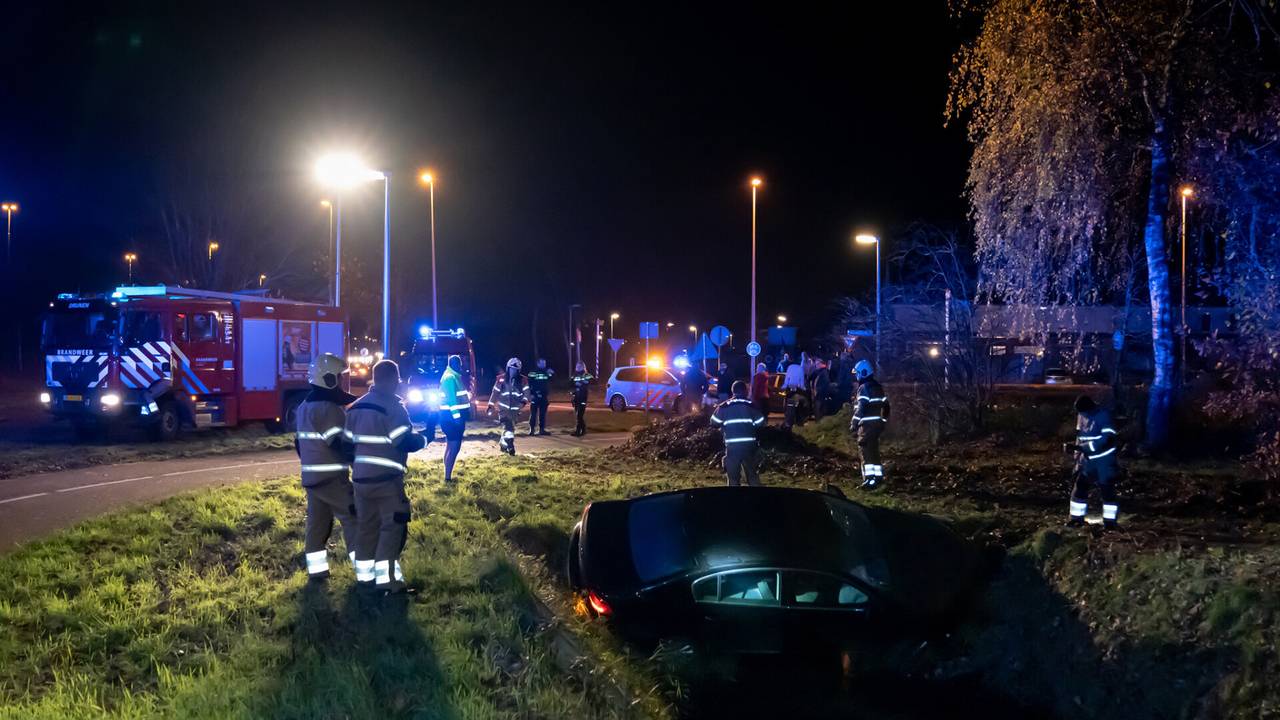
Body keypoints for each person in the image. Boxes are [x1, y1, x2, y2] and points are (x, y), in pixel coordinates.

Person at [347, 360, 427, 594]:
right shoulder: (394, 407)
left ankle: (364, 579)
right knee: (393, 527)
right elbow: (404, 441)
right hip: (386, 481)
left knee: (366, 528)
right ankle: (388, 583)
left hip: (360, 481)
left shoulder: (356, 407)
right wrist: (425, 439)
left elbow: (345, 445)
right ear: (393, 380)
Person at [295, 353, 358, 581]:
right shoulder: (328, 409)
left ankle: (317, 573)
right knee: (354, 518)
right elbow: (340, 444)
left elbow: (298, 444)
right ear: (328, 379)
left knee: (317, 526)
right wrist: (357, 463)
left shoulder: (304, 406)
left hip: (312, 479)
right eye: (339, 377)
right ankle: (366, 572)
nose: (342, 382)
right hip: (332, 479)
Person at [1065, 396, 1121, 529]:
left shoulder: (1104, 416)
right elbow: (1080, 436)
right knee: (1080, 487)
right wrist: (1076, 456)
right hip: (1087, 460)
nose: (1082, 415)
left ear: (1089, 408)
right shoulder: (1082, 415)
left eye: (1083, 412)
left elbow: (1107, 440)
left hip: (1104, 460)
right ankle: (1076, 519)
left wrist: (1082, 448)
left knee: (1107, 490)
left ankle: (1110, 523)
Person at [710, 380, 766, 486]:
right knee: (753, 476)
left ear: (732, 391)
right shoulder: (752, 406)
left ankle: (734, 501)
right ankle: (758, 500)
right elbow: (761, 423)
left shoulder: (724, 407)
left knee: (733, 479)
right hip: (750, 448)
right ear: (745, 391)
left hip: (732, 448)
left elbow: (713, 422)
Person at [850, 359, 889, 488]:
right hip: (877, 426)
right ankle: (878, 478)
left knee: (865, 452)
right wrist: (883, 421)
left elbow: (861, 408)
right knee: (874, 451)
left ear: (863, 373)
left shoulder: (863, 388)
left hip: (866, 427)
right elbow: (886, 406)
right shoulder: (878, 387)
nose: (857, 376)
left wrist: (854, 423)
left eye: (858, 373)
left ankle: (869, 480)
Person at [437, 354, 470, 483]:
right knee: (454, 447)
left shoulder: (451, 376)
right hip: (452, 418)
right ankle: (448, 477)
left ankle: (447, 475)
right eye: (459, 364)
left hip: (449, 417)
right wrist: (457, 418)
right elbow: (452, 400)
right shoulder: (451, 378)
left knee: (450, 445)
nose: (461, 366)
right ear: (453, 364)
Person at [489, 358, 526, 454]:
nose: (513, 371)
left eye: (515, 370)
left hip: (515, 410)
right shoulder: (501, 379)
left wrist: (523, 402)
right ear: (508, 368)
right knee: (508, 427)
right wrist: (490, 404)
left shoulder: (522, 380)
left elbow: (527, 393)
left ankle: (503, 445)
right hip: (503, 410)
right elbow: (495, 392)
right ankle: (511, 446)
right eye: (511, 369)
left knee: (510, 429)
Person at [526, 358, 553, 435]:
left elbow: (552, 380)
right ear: (538, 364)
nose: (544, 365)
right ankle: (532, 430)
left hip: (544, 396)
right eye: (542, 363)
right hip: (535, 395)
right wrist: (531, 394)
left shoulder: (546, 372)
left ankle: (542, 430)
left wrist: (551, 373)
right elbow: (529, 384)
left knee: (542, 414)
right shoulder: (533, 372)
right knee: (533, 413)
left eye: (545, 363)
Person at [781, 359, 807, 430]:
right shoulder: (800, 370)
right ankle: (799, 424)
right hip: (798, 393)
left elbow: (786, 381)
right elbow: (802, 383)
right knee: (799, 410)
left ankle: (789, 424)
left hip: (790, 394)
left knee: (789, 410)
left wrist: (784, 387)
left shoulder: (790, 369)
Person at [570, 361, 594, 435]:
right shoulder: (574, 375)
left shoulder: (586, 374)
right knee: (578, 415)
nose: (578, 368)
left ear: (583, 367)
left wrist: (584, 382)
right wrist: (573, 388)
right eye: (577, 366)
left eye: (580, 366)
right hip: (576, 397)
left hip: (583, 397)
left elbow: (593, 381)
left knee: (579, 415)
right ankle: (581, 430)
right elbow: (570, 384)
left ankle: (580, 430)